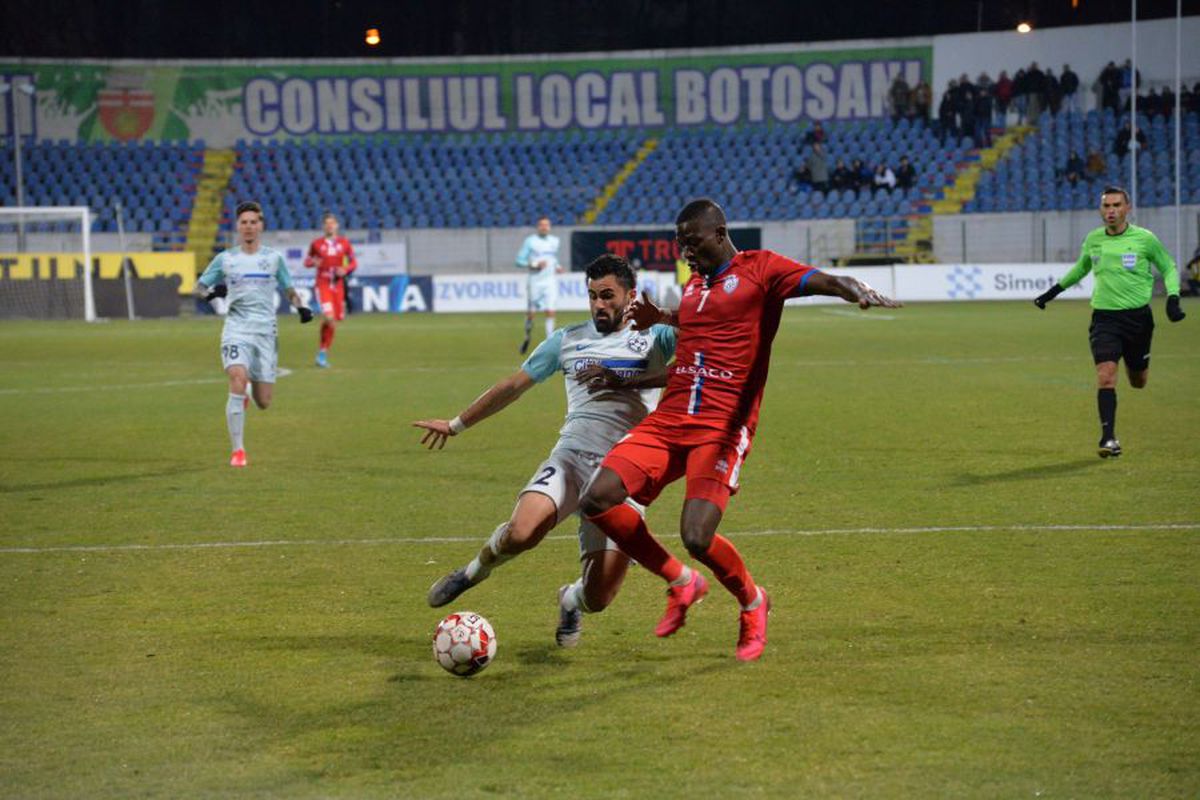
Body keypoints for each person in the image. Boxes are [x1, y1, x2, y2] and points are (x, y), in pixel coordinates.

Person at [577, 198, 901, 661]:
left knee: (697, 536)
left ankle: (752, 601)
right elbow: (696, 339)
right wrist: (662, 320)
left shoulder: (762, 270)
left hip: (722, 425)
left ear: (720, 233)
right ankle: (681, 581)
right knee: (597, 497)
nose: (686, 251)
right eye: (681, 243)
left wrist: (856, 289)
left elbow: (824, 280)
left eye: (693, 241)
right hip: (671, 418)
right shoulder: (694, 286)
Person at [417, 255, 681, 647]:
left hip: (622, 476)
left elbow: (708, 336)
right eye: (592, 296)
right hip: (572, 458)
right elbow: (513, 386)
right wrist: (456, 424)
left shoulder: (657, 337)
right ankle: (472, 572)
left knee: (599, 599)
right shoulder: (567, 339)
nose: (598, 305)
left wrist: (664, 316)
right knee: (521, 532)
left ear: (631, 296)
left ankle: (570, 599)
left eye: (607, 295)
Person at [1033, 186, 1185, 458]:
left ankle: (1132, 366)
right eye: (1106, 206)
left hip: (1138, 320)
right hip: (1105, 319)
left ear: (1127, 208)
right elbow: (1081, 268)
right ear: (1100, 209)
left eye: (1116, 205)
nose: (1111, 211)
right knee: (1105, 377)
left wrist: (1173, 298)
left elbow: (1168, 266)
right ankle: (1108, 438)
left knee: (1138, 381)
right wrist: (1051, 293)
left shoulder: (1144, 239)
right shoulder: (1094, 239)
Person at [194, 201, 314, 467]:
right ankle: (238, 451)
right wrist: (212, 293)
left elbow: (289, 289)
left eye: (253, 222)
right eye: (244, 222)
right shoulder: (226, 259)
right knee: (236, 376)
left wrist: (301, 307)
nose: (248, 227)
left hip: (265, 332)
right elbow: (198, 287)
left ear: (260, 226)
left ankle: (249, 391)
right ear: (237, 226)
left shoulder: (273, 258)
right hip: (236, 328)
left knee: (264, 401)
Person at [304, 212, 357, 368]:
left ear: (337, 225)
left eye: (332, 223)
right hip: (323, 285)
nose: (329, 226)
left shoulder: (344, 243)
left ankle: (322, 352)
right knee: (329, 317)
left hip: (338, 286)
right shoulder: (316, 244)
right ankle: (322, 355)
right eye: (327, 223)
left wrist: (345, 269)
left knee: (333, 322)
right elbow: (307, 261)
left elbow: (354, 262)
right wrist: (312, 262)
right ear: (323, 226)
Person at [516, 216, 563, 354]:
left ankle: (549, 344)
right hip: (535, 281)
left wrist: (557, 266)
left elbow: (553, 258)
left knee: (550, 311)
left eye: (546, 225)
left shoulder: (554, 241)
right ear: (538, 227)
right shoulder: (530, 241)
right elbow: (519, 261)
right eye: (542, 225)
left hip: (550, 281)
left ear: (549, 227)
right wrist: (535, 264)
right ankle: (527, 337)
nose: (544, 227)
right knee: (531, 314)